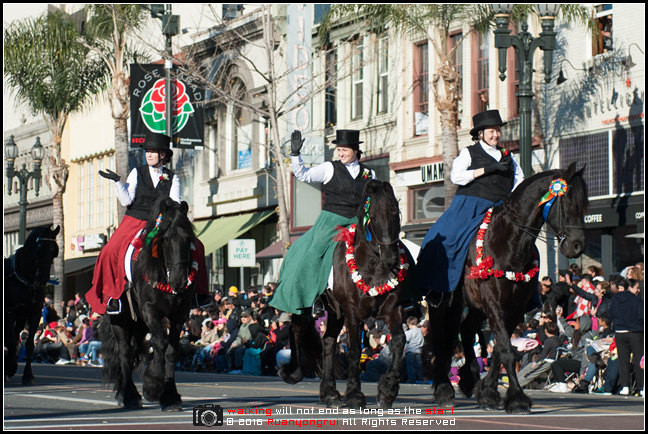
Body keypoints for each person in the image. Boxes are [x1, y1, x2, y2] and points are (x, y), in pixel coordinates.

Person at [85, 133, 209, 315]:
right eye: (147, 151)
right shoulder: (137, 172)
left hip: (161, 221)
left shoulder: (172, 178)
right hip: (135, 219)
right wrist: (118, 183)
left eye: (153, 151)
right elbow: (127, 201)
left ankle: (199, 295)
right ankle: (113, 297)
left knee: (198, 246)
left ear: (163, 155)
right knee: (109, 251)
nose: (148, 154)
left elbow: (175, 202)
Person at [269, 129, 376, 315]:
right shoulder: (329, 168)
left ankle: (395, 297)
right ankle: (315, 298)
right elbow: (303, 175)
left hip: (358, 222)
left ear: (355, 151)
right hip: (331, 221)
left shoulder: (370, 173)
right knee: (313, 254)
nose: (340, 153)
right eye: (339, 150)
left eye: (344, 150)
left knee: (385, 248)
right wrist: (295, 155)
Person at [417, 109, 524, 294]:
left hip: (501, 207)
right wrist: (486, 169)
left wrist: (512, 200)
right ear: (481, 134)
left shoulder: (509, 156)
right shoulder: (469, 152)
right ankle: (435, 290)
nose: (496, 135)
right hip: (471, 205)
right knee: (447, 240)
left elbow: (519, 179)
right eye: (491, 131)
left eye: (497, 130)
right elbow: (456, 177)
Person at [607, 278, 644, 396]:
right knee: (638, 360)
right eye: (637, 287)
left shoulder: (616, 298)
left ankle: (625, 386)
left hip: (619, 332)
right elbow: (641, 316)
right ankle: (641, 387)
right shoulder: (637, 300)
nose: (638, 290)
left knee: (623, 361)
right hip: (635, 332)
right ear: (630, 287)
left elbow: (610, 314)